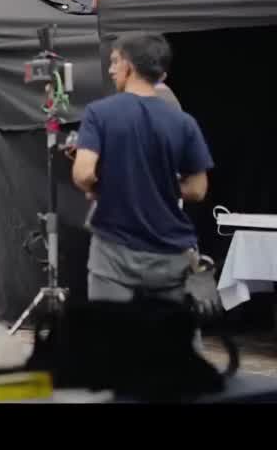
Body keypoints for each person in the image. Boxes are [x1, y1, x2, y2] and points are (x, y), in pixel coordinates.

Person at [72, 32, 213, 303]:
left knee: (109, 328)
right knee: (167, 330)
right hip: (170, 254)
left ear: (128, 66)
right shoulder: (184, 122)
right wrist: (157, 187)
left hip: (113, 250)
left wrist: (105, 187)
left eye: (115, 61)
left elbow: (83, 173)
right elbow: (197, 189)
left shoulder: (99, 113)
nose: (111, 70)